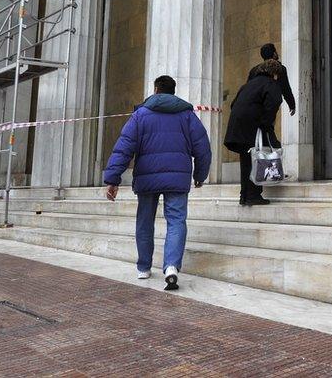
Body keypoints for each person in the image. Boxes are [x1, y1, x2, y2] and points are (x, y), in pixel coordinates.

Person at [103, 75, 212, 291]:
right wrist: (200, 175)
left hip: (147, 177)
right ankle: (171, 266)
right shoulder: (187, 116)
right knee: (176, 221)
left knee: (145, 221)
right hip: (177, 177)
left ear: (155, 90)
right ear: (173, 91)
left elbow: (124, 147)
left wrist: (113, 179)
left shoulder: (140, 115)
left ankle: (144, 267)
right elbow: (203, 147)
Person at [226, 59, 283, 206]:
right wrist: (265, 124)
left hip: (238, 127)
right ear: (274, 73)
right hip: (253, 126)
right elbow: (273, 103)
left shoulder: (248, 85)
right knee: (257, 159)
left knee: (247, 160)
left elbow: (233, 104)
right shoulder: (271, 84)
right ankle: (253, 195)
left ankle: (244, 196)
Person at [248, 43, 295, 116]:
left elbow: (247, 90)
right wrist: (292, 105)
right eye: (275, 51)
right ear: (274, 54)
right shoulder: (279, 69)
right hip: (268, 106)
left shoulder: (253, 70)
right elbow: (285, 89)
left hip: (253, 107)